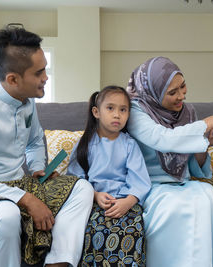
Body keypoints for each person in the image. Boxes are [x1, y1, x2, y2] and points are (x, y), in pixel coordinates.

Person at [0, 26, 94, 267]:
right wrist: (25, 199)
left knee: (82, 189)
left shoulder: (27, 102)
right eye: (39, 72)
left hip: (19, 183)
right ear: (13, 79)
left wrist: (37, 167)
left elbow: (35, 141)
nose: (46, 77)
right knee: (6, 215)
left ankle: (58, 262)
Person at [126, 56, 213, 267]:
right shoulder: (134, 110)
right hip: (151, 186)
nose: (181, 95)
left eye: (183, 87)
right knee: (174, 208)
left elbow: (191, 164)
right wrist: (206, 123)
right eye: (172, 92)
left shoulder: (187, 112)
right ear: (153, 92)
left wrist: (207, 144)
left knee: (209, 197)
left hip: (183, 183)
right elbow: (162, 138)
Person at [67, 85, 151, 267]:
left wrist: (128, 202)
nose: (117, 115)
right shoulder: (85, 144)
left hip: (125, 202)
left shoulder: (129, 145)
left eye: (123, 110)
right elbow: (75, 179)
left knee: (131, 230)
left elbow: (140, 180)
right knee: (93, 229)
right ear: (96, 112)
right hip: (93, 202)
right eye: (110, 108)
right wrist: (95, 196)